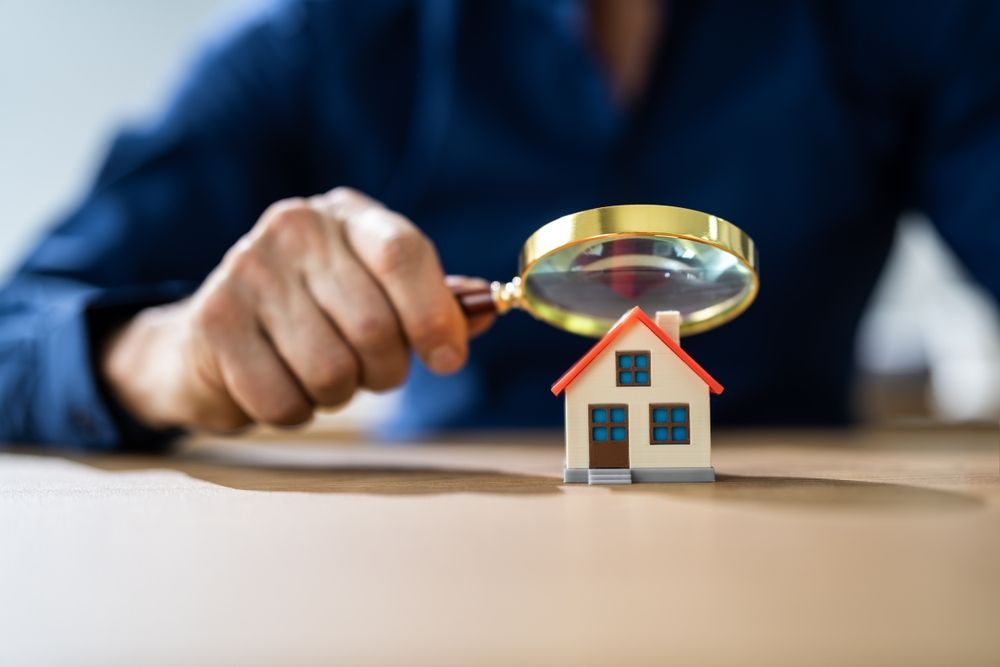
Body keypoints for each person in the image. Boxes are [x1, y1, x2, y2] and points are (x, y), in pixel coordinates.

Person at [2, 0, 998, 450]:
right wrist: (162, 356)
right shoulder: (320, 36)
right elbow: (16, 338)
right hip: (431, 583)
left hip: (822, 581)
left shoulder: (912, 20)